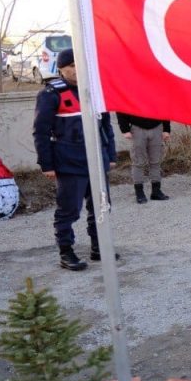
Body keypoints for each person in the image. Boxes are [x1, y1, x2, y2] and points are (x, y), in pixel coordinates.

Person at [32, 48, 117, 271]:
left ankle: (99, 247)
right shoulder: (51, 94)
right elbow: (40, 132)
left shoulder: (95, 91)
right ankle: (66, 252)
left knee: (101, 206)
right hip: (69, 162)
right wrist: (46, 164)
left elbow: (106, 126)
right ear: (60, 69)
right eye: (70, 66)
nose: (75, 70)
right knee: (69, 210)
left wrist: (110, 155)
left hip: (96, 161)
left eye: (78, 64)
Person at [118, 113, 170, 203]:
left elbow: (164, 106)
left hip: (156, 127)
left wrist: (166, 129)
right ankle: (139, 193)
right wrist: (125, 129)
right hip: (137, 128)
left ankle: (156, 191)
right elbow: (121, 107)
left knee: (156, 161)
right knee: (138, 162)